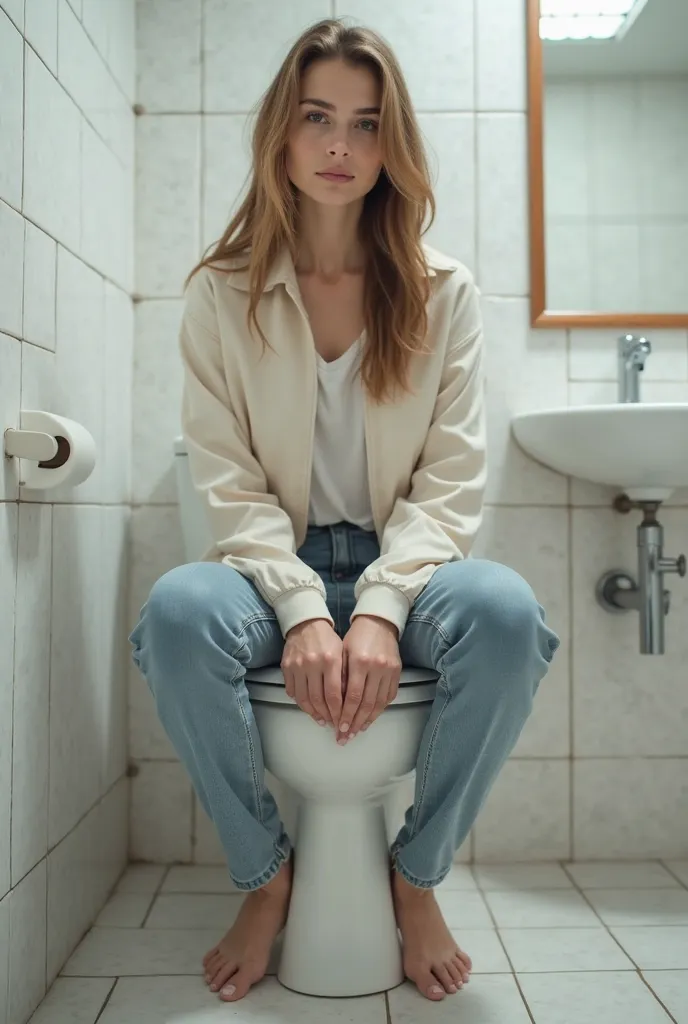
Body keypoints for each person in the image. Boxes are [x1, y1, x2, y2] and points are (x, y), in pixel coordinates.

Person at [129, 18, 560, 1006]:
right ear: (281, 132)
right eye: (317, 117)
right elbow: (229, 484)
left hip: (401, 561)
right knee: (175, 614)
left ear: (389, 146)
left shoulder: (441, 293)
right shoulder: (219, 294)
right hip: (260, 561)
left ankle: (415, 877)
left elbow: (450, 480)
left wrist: (377, 605)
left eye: (366, 126)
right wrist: (294, 605)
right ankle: (263, 872)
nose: (338, 146)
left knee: (506, 616)